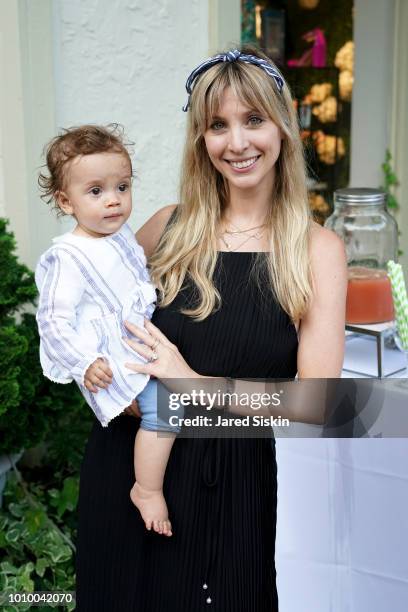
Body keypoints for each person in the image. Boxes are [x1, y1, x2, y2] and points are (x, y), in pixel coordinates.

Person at [76, 46, 347, 611]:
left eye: (253, 120)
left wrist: (187, 380)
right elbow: (87, 317)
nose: (237, 142)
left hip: (230, 484)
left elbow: (315, 401)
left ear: (283, 126)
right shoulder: (164, 229)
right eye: (217, 125)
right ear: (201, 139)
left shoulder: (317, 250)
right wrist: (111, 386)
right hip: (127, 470)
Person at [36, 124, 181, 539]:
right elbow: (53, 320)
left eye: (122, 186)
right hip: (107, 358)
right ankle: (147, 489)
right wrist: (86, 362)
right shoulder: (68, 256)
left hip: (135, 342)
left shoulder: (118, 237)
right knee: (167, 408)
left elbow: (133, 286)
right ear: (66, 201)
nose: (113, 200)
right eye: (95, 191)